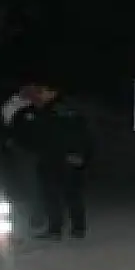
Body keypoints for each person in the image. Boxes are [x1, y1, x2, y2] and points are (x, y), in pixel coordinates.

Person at [29, 80, 91, 240]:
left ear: (52, 92)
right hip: (69, 157)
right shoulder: (71, 108)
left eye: (42, 91)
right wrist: (80, 153)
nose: (39, 95)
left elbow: (57, 134)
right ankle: (78, 228)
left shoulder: (50, 110)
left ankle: (55, 229)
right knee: (72, 193)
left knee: (53, 194)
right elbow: (83, 132)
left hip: (55, 157)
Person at [1, 84, 46, 231]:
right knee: (30, 183)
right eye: (33, 90)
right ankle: (35, 216)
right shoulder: (15, 107)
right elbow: (10, 127)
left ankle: (43, 215)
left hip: (42, 150)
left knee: (42, 183)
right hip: (25, 151)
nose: (37, 93)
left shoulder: (39, 107)